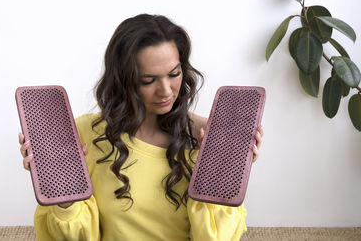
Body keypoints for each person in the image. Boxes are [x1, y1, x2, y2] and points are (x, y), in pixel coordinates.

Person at [19, 14, 264, 241]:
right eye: (148, 80)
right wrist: (62, 195)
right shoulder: (83, 134)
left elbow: (216, 237)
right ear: (122, 80)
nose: (166, 91)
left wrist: (225, 173)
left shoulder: (208, 139)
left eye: (174, 73)